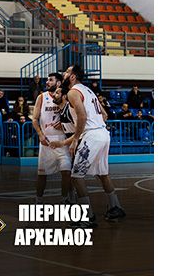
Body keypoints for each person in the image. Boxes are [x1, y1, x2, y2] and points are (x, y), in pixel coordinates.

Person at [49, 65, 125, 228]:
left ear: (73, 76)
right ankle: (115, 207)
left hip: (91, 135)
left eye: (67, 72)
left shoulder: (73, 92)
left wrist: (76, 138)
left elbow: (82, 116)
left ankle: (87, 217)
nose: (64, 74)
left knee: (76, 176)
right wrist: (95, 126)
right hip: (102, 133)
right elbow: (104, 115)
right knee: (102, 174)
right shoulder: (89, 91)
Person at [32, 73, 73, 204]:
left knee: (66, 172)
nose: (47, 82)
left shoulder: (66, 96)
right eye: (47, 80)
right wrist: (40, 134)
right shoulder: (42, 97)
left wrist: (64, 123)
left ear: (59, 83)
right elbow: (34, 119)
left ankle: (65, 199)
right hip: (47, 141)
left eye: (50, 80)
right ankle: (38, 200)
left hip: (62, 140)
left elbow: (72, 116)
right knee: (42, 175)